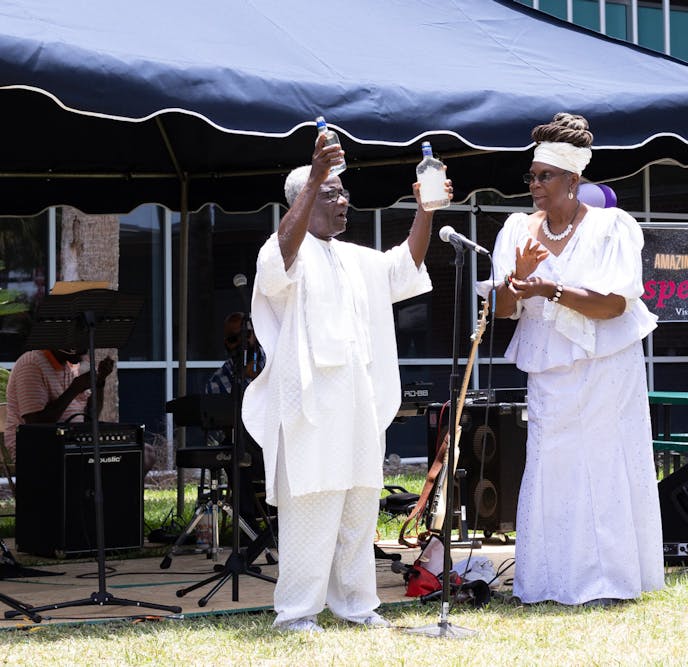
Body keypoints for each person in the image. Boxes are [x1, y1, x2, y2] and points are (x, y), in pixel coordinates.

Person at [241, 131, 448, 632]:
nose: (343, 200)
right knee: (310, 510)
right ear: (305, 199)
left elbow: (406, 266)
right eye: (331, 193)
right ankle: (296, 613)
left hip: (358, 405)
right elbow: (277, 269)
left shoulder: (356, 258)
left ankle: (357, 605)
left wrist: (426, 210)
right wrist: (314, 176)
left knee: (358, 506)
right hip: (309, 408)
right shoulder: (283, 249)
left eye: (341, 192)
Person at [475, 112, 663, 606]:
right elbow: (501, 310)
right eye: (532, 176)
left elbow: (613, 304)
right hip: (549, 369)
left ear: (573, 179)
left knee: (600, 464)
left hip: (606, 366)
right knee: (551, 464)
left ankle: (607, 580)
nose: (534, 185)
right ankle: (547, 581)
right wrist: (516, 280)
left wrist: (552, 289)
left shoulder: (611, 226)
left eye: (544, 176)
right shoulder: (517, 229)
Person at [203, 311, 266, 530]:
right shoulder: (217, 381)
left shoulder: (274, 365)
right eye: (233, 338)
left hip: (283, 444)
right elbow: (216, 430)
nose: (241, 343)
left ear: (255, 336)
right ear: (226, 344)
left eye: (246, 335)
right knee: (231, 446)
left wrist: (260, 380)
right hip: (248, 450)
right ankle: (248, 527)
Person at [4, 348, 114, 461]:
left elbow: (91, 418)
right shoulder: (31, 364)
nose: (85, 352)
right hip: (36, 450)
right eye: (80, 347)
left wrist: (99, 381)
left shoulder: (71, 366)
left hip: (73, 446)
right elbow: (36, 425)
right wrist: (74, 389)